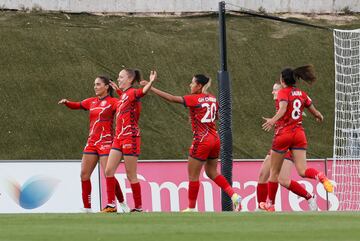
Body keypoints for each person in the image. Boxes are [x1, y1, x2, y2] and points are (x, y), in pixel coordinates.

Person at [142, 74, 241, 212]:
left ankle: (191, 207)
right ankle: (234, 195)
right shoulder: (212, 98)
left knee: (193, 176)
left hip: (202, 140)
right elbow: (216, 116)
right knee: (212, 172)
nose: (190, 85)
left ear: (199, 86)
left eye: (192, 83)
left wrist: (151, 87)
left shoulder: (194, 98)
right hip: (215, 138)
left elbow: (171, 98)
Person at [261, 65, 333, 212]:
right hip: (299, 134)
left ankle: (271, 205)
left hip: (284, 135)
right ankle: (320, 176)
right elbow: (315, 111)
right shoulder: (302, 94)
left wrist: (272, 120)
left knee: (274, 173)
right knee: (303, 170)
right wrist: (319, 116)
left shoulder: (283, 92)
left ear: (282, 80)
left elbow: (282, 109)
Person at [58, 75, 128, 213]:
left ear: (106, 87)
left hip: (106, 142)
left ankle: (117, 203)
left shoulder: (113, 102)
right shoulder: (91, 101)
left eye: (98, 84)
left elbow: (125, 104)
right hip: (92, 142)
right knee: (84, 174)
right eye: (94, 84)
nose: (95, 87)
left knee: (108, 174)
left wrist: (120, 92)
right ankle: (87, 208)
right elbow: (77, 105)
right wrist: (67, 102)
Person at [101, 69, 156, 213]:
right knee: (108, 170)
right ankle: (111, 205)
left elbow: (141, 92)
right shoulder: (124, 95)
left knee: (131, 174)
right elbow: (126, 99)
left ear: (130, 79)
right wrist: (118, 90)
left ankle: (138, 207)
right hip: (118, 138)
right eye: (118, 77)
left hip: (130, 137)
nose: (118, 79)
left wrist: (150, 82)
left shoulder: (132, 92)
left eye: (121, 77)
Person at [257, 82, 317, 211]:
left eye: (275, 90)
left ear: (283, 90)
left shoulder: (286, 100)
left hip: (287, 144)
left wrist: (273, 120)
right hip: (279, 143)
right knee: (263, 175)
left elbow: (294, 114)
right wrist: (274, 119)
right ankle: (261, 207)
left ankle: (310, 197)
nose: (273, 92)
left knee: (283, 180)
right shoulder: (280, 103)